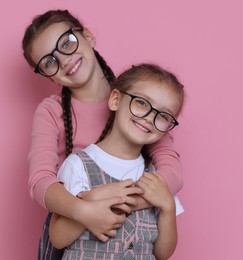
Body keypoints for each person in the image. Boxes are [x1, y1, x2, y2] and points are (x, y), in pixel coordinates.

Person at [22, 10, 183, 260]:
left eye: (67, 43)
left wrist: (125, 202)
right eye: (49, 62)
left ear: (88, 36)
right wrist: (85, 211)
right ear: (48, 76)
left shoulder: (138, 100)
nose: (63, 60)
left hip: (136, 224)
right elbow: (40, 181)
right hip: (73, 224)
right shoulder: (51, 111)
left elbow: (171, 169)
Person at [48, 63, 185, 259]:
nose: (149, 118)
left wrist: (168, 207)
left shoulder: (156, 178)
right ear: (115, 100)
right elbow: (58, 238)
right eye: (142, 103)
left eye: (163, 115)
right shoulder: (78, 165)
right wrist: (92, 200)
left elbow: (162, 253)